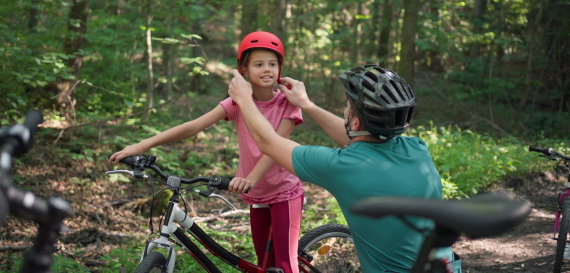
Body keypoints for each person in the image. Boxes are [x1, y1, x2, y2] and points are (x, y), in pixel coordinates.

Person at [228, 64, 461, 272]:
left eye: (348, 106)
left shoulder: (340, 167)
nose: (345, 110)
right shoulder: (417, 149)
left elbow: (268, 142)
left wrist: (244, 99)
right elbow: (358, 135)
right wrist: (306, 105)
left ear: (356, 122)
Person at [108, 31, 304, 272]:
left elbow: (275, 147)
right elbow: (194, 125)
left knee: (286, 265)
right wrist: (142, 145)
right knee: (263, 266)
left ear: (281, 67)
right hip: (256, 194)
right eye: (259, 64)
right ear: (243, 70)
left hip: (284, 191)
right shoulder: (237, 103)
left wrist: (249, 179)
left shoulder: (288, 103)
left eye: (273, 64)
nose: (267, 70)